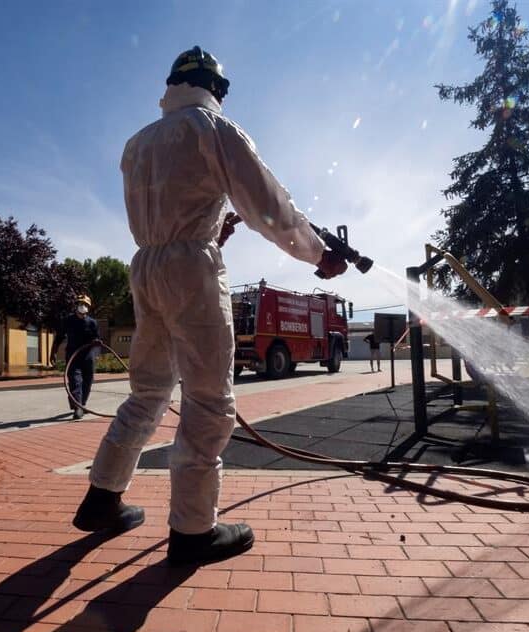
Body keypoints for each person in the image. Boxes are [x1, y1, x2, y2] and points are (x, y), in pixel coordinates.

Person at [73, 46, 348, 565]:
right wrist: (318, 255)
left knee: (148, 391)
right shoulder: (213, 128)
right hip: (191, 270)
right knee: (208, 398)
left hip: (146, 265)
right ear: (217, 89)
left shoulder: (137, 144)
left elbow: (170, 208)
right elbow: (270, 207)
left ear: (172, 84)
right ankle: (194, 530)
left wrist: (207, 229)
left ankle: (101, 498)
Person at [50, 295, 100, 420]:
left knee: (87, 382)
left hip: (87, 356)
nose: (82, 306)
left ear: (88, 307)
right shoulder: (68, 321)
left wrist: (96, 343)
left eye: (85, 304)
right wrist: (53, 352)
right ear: (76, 306)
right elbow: (59, 337)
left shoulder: (92, 323)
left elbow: (97, 338)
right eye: (80, 304)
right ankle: (77, 407)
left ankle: (82, 404)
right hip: (73, 356)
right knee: (75, 381)